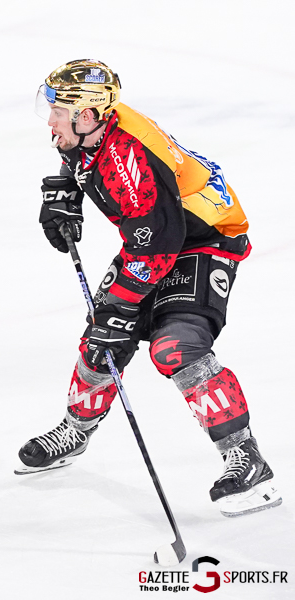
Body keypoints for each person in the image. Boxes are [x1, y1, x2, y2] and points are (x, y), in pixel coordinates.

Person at [15, 59, 281, 517]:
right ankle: (75, 431)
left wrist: (121, 305)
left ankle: (247, 458)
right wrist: (65, 191)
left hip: (202, 241)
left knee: (175, 345)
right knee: (103, 337)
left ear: (88, 116)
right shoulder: (94, 129)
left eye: (59, 110)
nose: (51, 120)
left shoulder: (130, 160)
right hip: (158, 237)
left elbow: (159, 244)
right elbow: (78, 158)